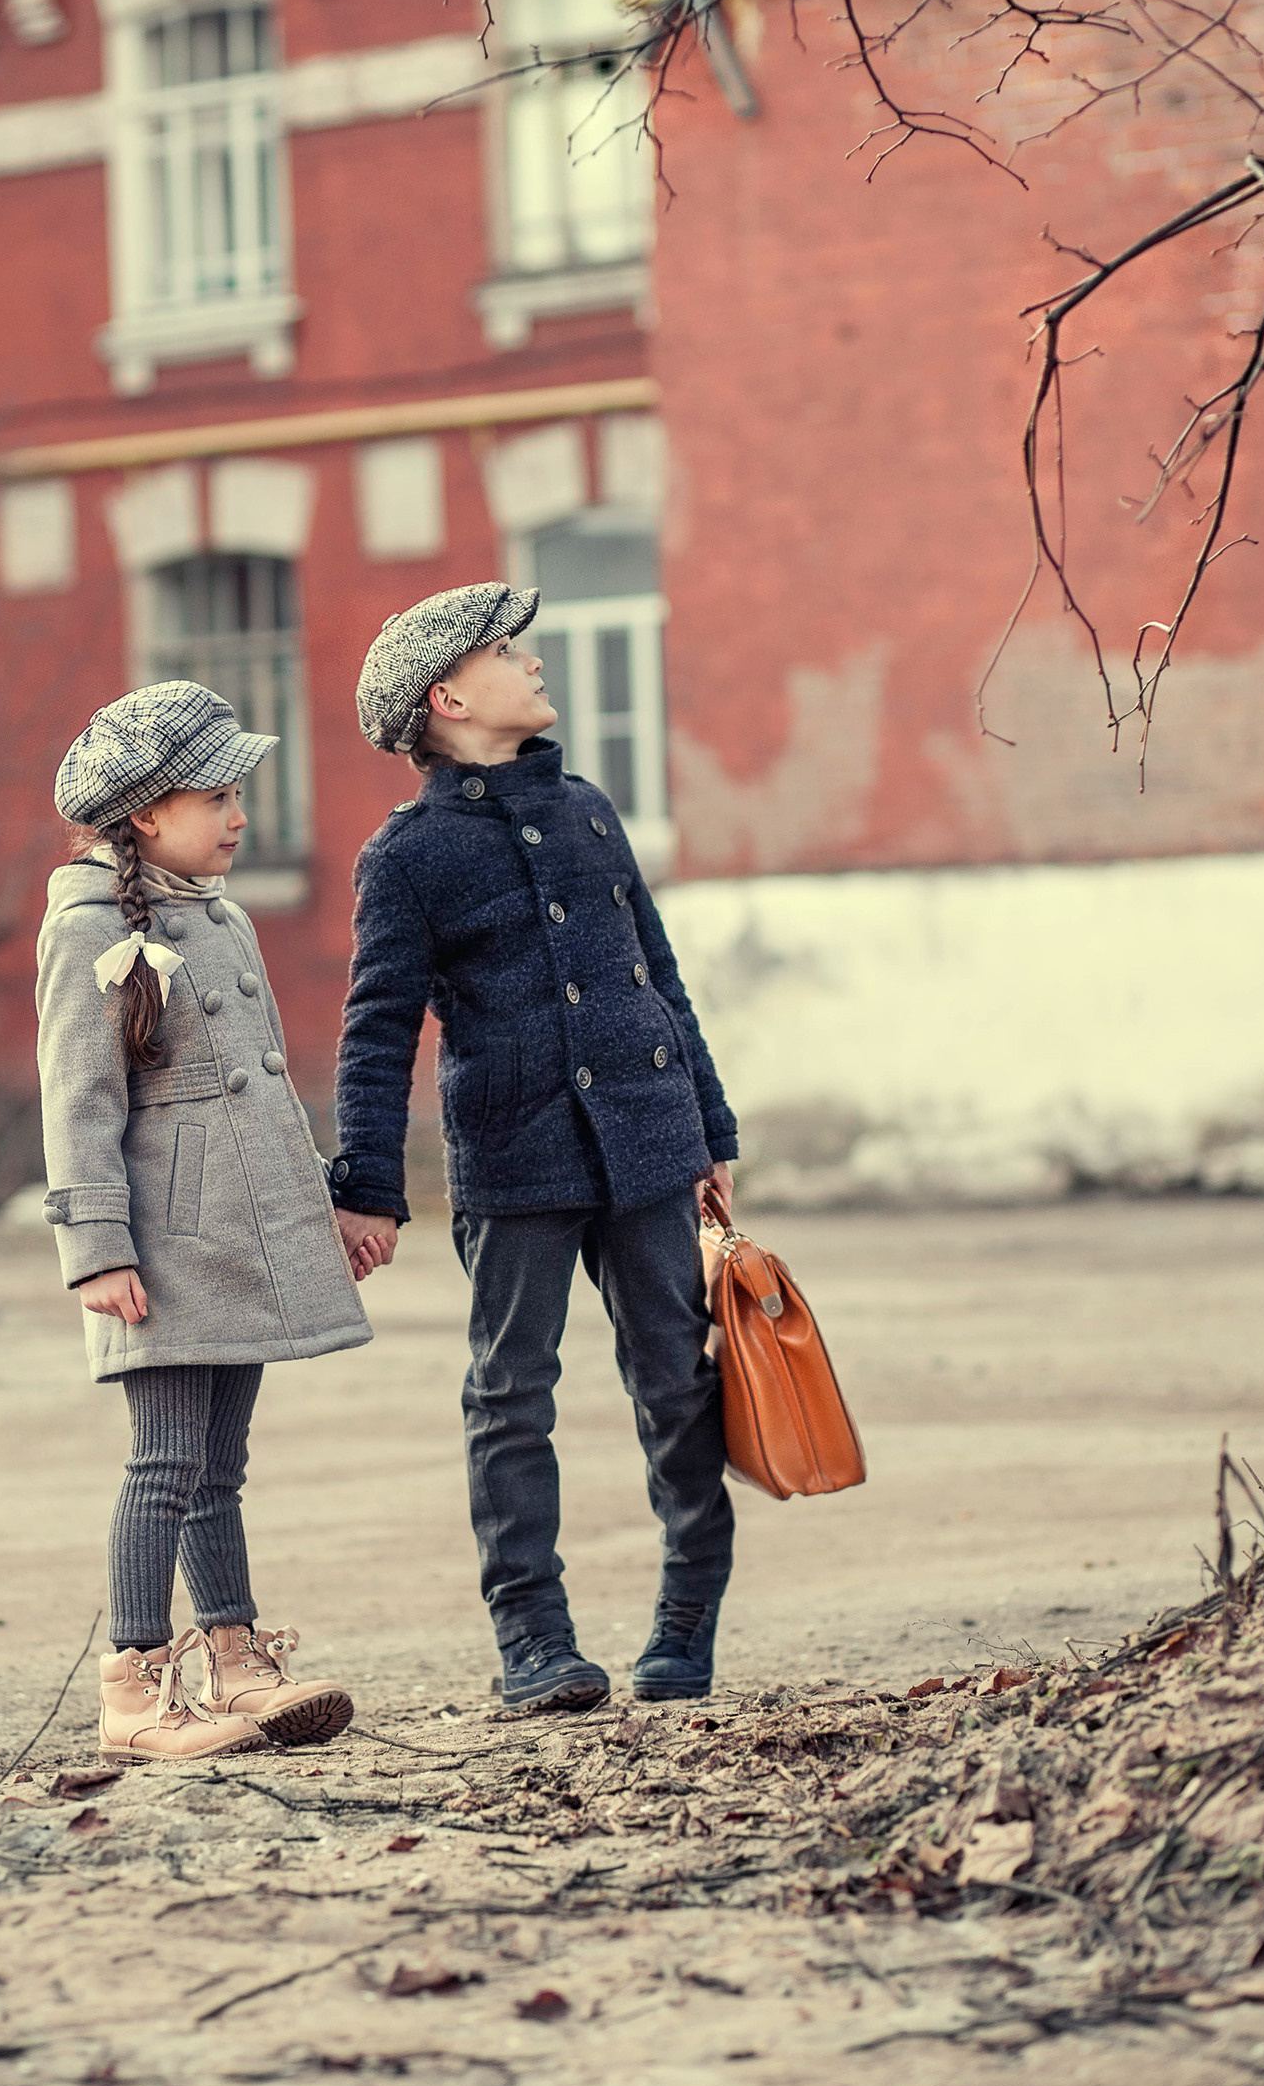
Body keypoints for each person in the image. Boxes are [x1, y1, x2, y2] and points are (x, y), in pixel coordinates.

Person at [327, 585, 740, 1714]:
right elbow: (376, 1030)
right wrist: (367, 1185)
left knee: (676, 1380)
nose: (533, 662)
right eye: (506, 652)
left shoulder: (589, 811)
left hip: (650, 1140)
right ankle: (534, 1640)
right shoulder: (406, 858)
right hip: (515, 1158)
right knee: (511, 1393)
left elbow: (658, 975)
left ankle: (687, 1616)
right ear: (449, 698)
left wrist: (710, 1128)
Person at [40, 682, 383, 1761]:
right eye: (216, 797)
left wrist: (320, 1210)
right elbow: (78, 1102)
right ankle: (134, 1692)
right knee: (163, 1464)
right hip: (162, 1249)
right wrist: (96, 1251)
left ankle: (235, 1660)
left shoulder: (221, 918)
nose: (239, 816)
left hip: (239, 1242)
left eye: (240, 794)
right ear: (146, 814)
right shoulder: (88, 930)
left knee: (218, 1469)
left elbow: (263, 1101)